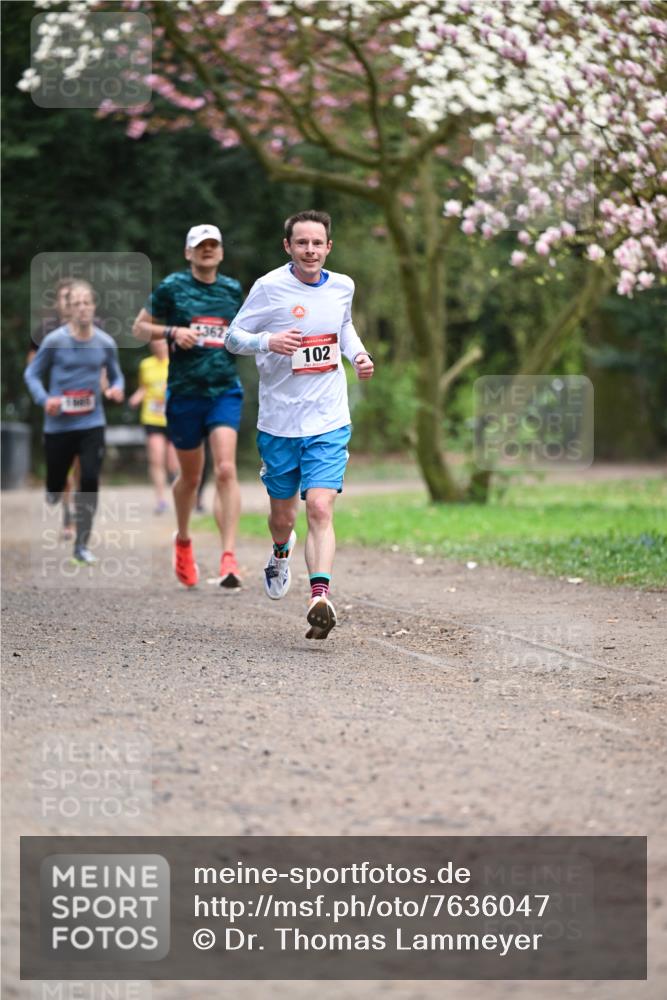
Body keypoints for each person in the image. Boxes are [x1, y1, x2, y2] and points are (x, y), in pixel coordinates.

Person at [225, 209, 374, 639]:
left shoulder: (343, 286)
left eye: (318, 243)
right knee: (283, 518)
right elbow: (233, 337)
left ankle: (319, 596)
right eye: (302, 243)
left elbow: (344, 327)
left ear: (329, 247)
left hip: (328, 417)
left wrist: (357, 355)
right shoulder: (269, 288)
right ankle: (279, 552)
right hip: (279, 422)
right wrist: (266, 341)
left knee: (321, 507)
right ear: (287, 246)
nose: (310, 250)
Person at [132, 224, 244, 589]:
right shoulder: (172, 287)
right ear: (189, 253)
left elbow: (246, 333)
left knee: (226, 468)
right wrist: (172, 332)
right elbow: (138, 328)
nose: (207, 250)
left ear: (221, 253)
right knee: (191, 478)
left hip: (224, 389)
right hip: (184, 393)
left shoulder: (232, 291)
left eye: (214, 245)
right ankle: (183, 539)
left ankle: (229, 557)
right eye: (201, 246)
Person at [24, 280, 125, 565]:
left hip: (92, 423)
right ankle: (53, 489)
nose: (82, 307)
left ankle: (81, 544)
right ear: (69, 309)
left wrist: (116, 388)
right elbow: (32, 374)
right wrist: (45, 400)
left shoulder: (105, 342)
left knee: (90, 478)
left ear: (93, 307)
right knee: (56, 482)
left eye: (86, 302)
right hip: (58, 426)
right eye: (76, 303)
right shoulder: (54, 341)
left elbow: (116, 375)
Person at [27, 277, 77, 539]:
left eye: (73, 297)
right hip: (57, 407)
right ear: (57, 302)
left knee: (83, 466)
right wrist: (44, 396)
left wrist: (106, 385)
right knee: (61, 467)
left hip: (87, 408)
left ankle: (72, 521)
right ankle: (55, 486)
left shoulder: (92, 328)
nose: (69, 302)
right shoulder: (44, 330)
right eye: (64, 297)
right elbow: (32, 368)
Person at [128, 339, 178, 514]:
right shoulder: (145, 364)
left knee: (173, 463)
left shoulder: (176, 362)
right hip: (151, 418)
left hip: (173, 417)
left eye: (161, 343)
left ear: (167, 345)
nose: (157, 346)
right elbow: (143, 387)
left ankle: (179, 493)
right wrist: (136, 397)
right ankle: (160, 499)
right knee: (156, 458)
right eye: (154, 343)